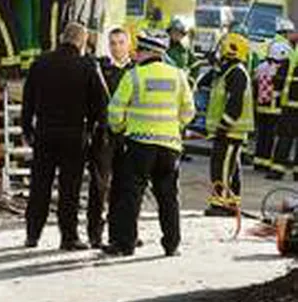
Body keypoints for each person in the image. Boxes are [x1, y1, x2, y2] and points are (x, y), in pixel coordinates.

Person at [105, 31, 194, 257]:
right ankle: (172, 244)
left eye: (139, 50)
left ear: (147, 52)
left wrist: (120, 128)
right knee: (168, 197)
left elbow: (114, 112)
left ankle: (126, 244)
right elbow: (189, 111)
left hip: (139, 145)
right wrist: (174, 126)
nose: (136, 54)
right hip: (169, 146)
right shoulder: (178, 75)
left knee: (131, 194)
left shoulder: (133, 76)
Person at [21, 22, 108, 250]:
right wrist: (93, 132)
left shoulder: (41, 63)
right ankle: (68, 237)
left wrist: (27, 129)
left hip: (45, 132)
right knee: (70, 188)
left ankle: (32, 234)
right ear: (81, 41)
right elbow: (101, 104)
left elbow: (27, 99)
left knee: (40, 185)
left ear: (62, 38)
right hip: (74, 134)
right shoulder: (88, 65)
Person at [87, 27, 133, 249]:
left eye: (121, 42)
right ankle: (95, 233)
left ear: (129, 45)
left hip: (127, 135)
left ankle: (121, 233)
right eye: (113, 43)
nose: (116, 47)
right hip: (104, 134)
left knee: (125, 187)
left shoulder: (136, 71)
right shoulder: (101, 68)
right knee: (99, 186)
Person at [204, 33, 254, 216]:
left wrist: (223, 125)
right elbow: (205, 82)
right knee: (231, 166)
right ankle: (232, 203)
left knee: (222, 167)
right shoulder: (228, 71)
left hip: (230, 130)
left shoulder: (237, 73)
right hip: (229, 131)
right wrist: (213, 66)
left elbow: (235, 104)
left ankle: (221, 205)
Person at [253, 40, 290, 171]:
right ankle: (266, 162)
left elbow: (255, 81)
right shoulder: (280, 70)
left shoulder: (262, 66)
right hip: (274, 109)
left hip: (261, 107)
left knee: (261, 135)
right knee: (269, 136)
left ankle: (258, 161)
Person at [269, 26, 298, 181]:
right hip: (290, 105)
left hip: (289, 106)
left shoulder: (291, 57)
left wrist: (276, 100)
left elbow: (279, 80)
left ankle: (277, 170)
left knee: (285, 138)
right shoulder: (291, 56)